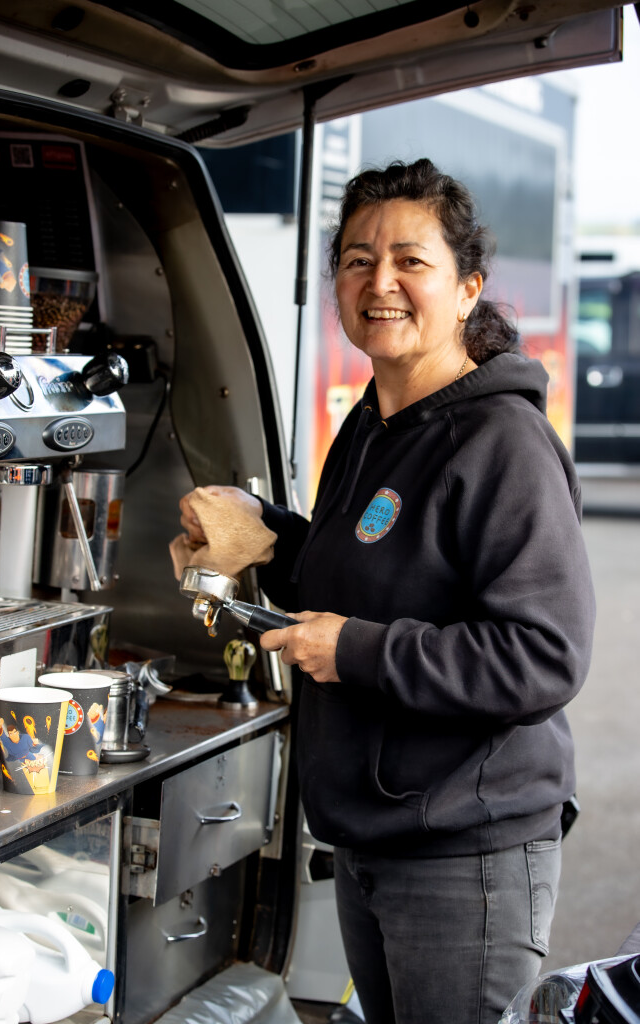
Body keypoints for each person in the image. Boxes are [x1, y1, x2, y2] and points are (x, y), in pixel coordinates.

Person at [178, 158, 596, 1024]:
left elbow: (543, 657)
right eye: (357, 260)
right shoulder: (374, 421)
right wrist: (265, 533)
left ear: (467, 287)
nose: (380, 283)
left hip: (465, 855)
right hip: (372, 837)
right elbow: (362, 575)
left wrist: (355, 651)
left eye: (411, 260)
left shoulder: (503, 443)